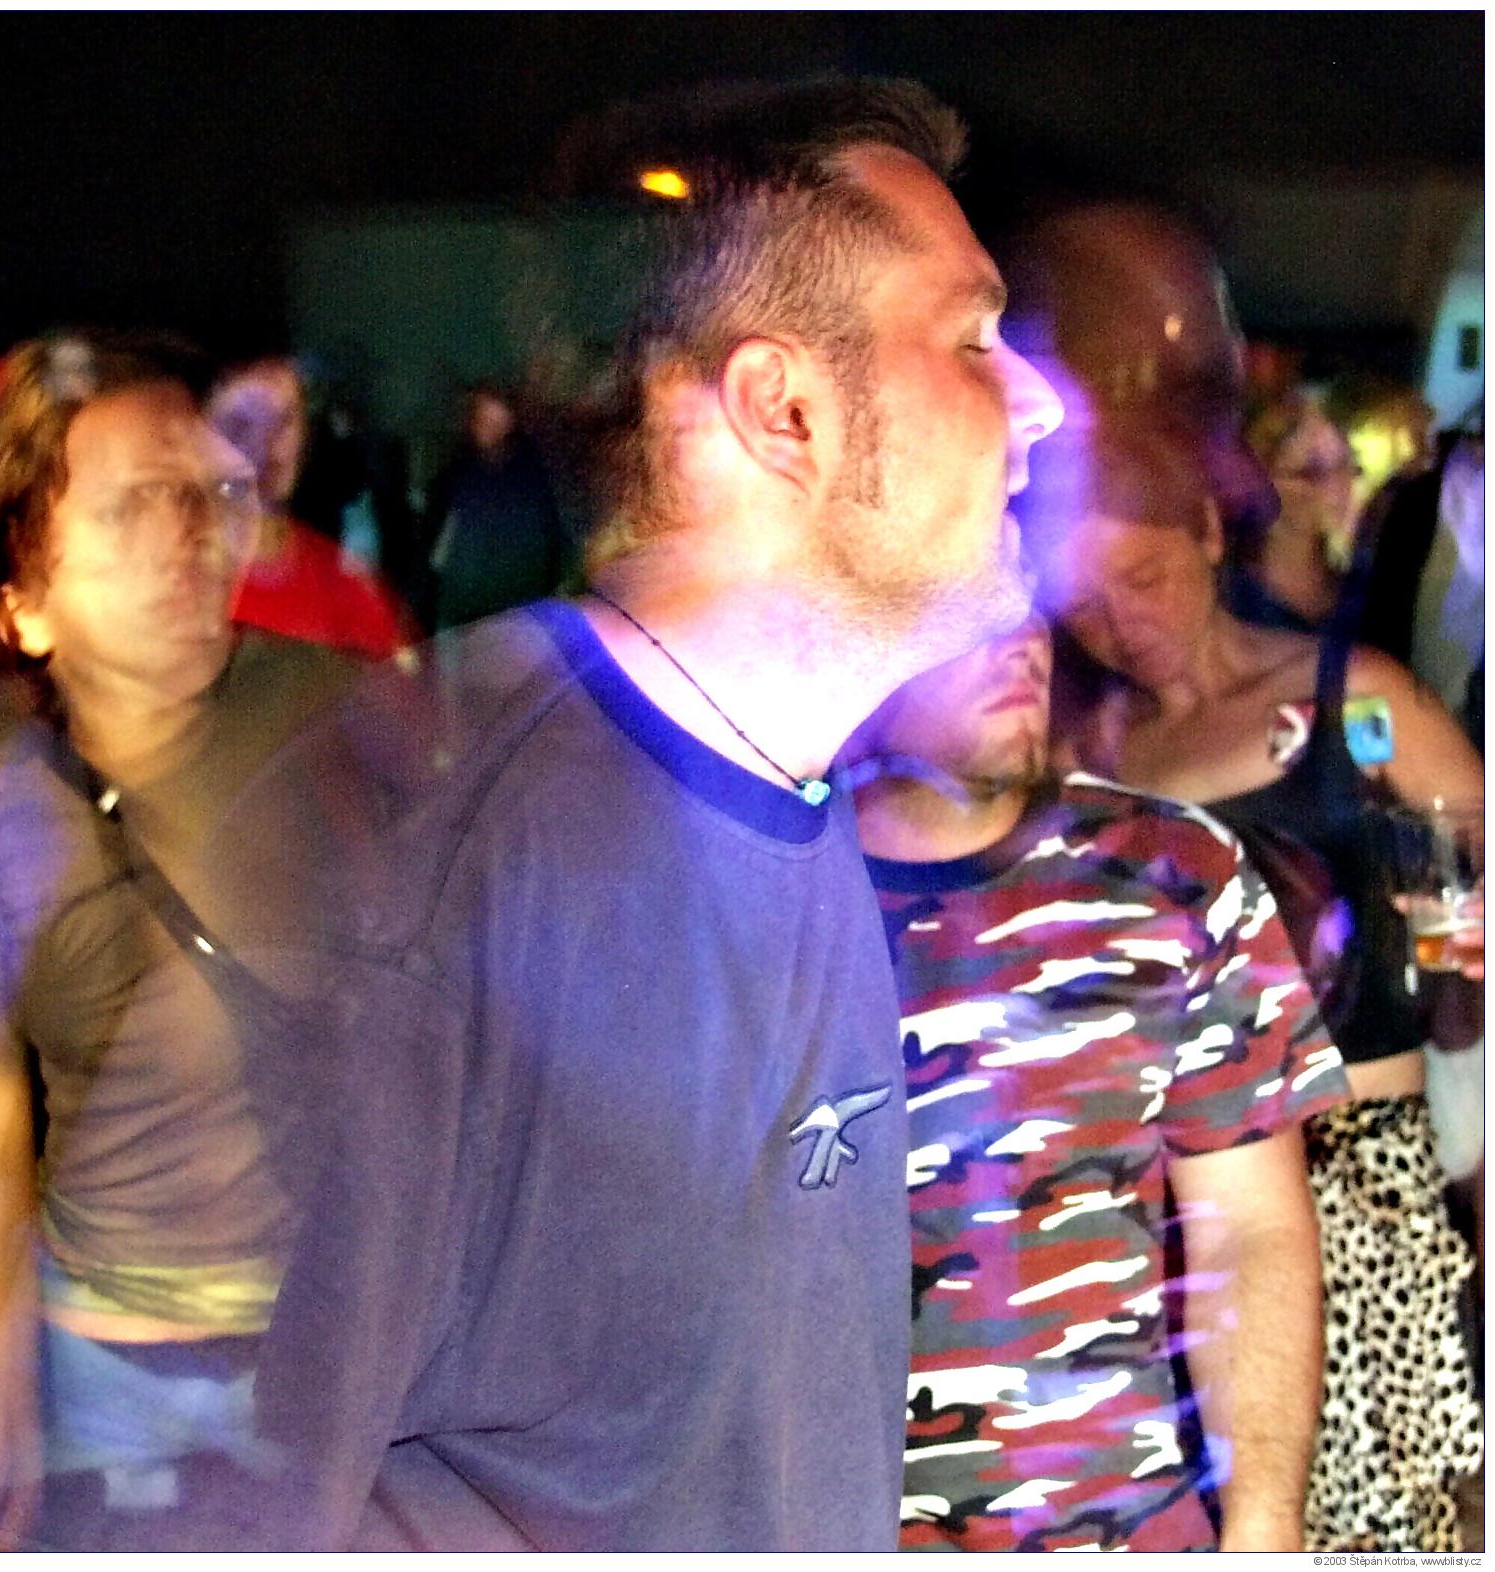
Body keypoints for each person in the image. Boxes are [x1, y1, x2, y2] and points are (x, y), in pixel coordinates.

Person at [234, 76, 1063, 1551]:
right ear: (783, 411)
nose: (1043, 401)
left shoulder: (784, 784)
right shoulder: (406, 872)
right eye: (972, 339)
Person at [1028, 422, 1484, 1551]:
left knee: (1394, 1521)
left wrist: (1458, 935)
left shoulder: (1349, 700)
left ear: (1205, 530)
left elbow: (1471, 858)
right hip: (1183, 1203)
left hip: (1362, 1179)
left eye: (1141, 577)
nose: (1120, 621)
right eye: (1086, 603)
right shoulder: (1090, 755)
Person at [0, 333, 360, 1550]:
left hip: (328, 1351)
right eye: (130, 507)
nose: (186, 533)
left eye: (201, 491)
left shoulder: (340, 716)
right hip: (102, 1373)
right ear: (24, 603)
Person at [842, 614, 1346, 1551]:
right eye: (968, 611)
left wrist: (1264, 1521)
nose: (1017, 639)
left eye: (1022, 597)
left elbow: (1252, 1230)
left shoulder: (1175, 869)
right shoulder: (755, 888)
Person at [207, 356, 410, 659]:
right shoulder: (169, 581)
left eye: (284, 420)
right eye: (243, 423)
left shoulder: (348, 589)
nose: (267, 442)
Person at [423, 384, 571, 630]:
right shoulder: (460, 470)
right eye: (480, 419)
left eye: (493, 421)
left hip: (502, 616)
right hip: (456, 607)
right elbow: (441, 538)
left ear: (510, 422)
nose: (484, 428)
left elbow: (540, 552)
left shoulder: (530, 480)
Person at [1234, 387, 1365, 632]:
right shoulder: (1229, 601)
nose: (1340, 487)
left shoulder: (1366, 590)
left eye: (1346, 464)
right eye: (1313, 472)